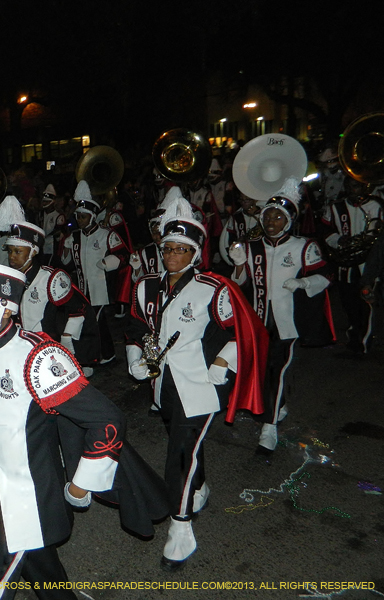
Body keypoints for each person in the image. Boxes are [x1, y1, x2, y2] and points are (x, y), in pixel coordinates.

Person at [0, 209, 144, 598]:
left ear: (5, 310)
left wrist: (83, 482)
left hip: (32, 496)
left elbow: (108, 419)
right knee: (43, 571)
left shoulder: (38, 357)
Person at [125, 190, 267, 570]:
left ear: (195, 253)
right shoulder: (145, 286)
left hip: (202, 383)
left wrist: (223, 360)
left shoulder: (213, 288)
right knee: (181, 442)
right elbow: (136, 328)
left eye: (180, 249)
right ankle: (199, 486)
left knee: (180, 453)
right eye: (167, 247)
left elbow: (242, 330)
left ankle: (181, 526)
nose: (171, 254)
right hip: (163, 384)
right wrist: (136, 358)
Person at [229, 177, 333, 452]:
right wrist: (239, 265)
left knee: (276, 370)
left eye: (278, 216)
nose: (271, 221)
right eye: (268, 216)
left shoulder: (303, 247)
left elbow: (324, 277)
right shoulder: (252, 247)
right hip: (257, 321)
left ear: (289, 220)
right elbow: (238, 284)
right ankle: (279, 404)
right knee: (260, 371)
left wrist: (303, 283)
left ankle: (269, 426)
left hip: (286, 323)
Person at [5, 221, 98, 377]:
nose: (12, 257)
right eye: (9, 251)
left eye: (17, 251)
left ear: (33, 252)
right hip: (17, 348)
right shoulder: (7, 277)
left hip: (44, 349)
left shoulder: (49, 278)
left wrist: (67, 338)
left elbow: (78, 308)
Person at [61, 180, 129, 364]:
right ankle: (107, 354)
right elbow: (66, 262)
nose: (80, 220)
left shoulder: (106, 235)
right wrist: (66, 249)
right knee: (96, 322)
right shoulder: (74, 236)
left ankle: (93, 357)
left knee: (93, 322)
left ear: (91, 216)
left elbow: (124, 255)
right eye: (78, 216)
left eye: (83, 216)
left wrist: (108, 262)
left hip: (100, 286)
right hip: (81, 286)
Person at [322, 177, 383, 354]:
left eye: (356, 186)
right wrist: (339, 240)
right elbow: (325, 230)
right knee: (348, 304)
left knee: (365, 303)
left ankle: (362, 342)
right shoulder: (336, 207)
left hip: (368, 266)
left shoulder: (376, 205)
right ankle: (354, 337)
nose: (352, 190)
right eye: (348, 186)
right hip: (345, 265)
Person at [218, 190, 263, 265]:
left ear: (254, 200)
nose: (243, 202)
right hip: (242, 255)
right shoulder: (236, 216)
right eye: (241, 200)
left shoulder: (263, 214)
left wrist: (255, 215)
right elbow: (231, 237)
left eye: (247, 200)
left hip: (258, 254)